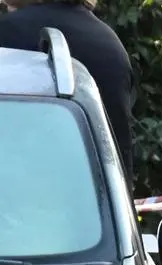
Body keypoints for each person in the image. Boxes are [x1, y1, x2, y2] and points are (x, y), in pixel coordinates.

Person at [0, 0, 136, 189]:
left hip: (20, 201)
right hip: (91, 207)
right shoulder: (111, 46)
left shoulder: (8, 33)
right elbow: (120, 161)